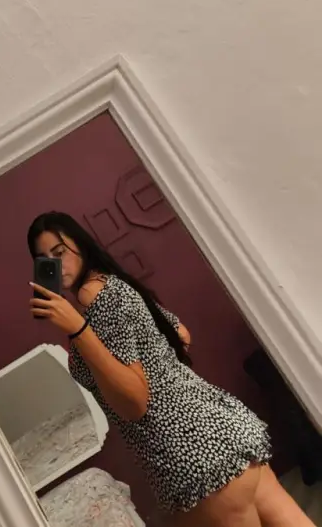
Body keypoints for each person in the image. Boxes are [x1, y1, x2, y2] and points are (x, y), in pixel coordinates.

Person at [27, 211, 314, 527]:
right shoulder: (113, 284)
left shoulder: (92, 299)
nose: (56, 266)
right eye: (44, 261)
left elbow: (134, 403)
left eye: (60, 252)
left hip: (189, 454)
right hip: (221, 426)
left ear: (80, 245)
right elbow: (181, 334)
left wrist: (78, 329)